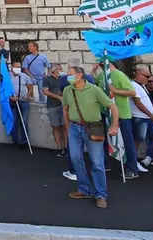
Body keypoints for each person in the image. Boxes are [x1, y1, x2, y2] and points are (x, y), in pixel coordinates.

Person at [62, 66, 119, 209]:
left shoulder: (94, 90)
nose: (67, 77)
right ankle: (84, 189)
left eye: (70, 74)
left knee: (97, 162)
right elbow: (65, 108)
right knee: (75, 158)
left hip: (92, 128)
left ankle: (101, 194)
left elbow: (112, 106)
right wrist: (68, 126)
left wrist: (114, 125)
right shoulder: (67, 90)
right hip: (74, 128)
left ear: (79, 75)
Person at [95, 60, 141, 179]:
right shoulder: (101, 75)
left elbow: (132, 92)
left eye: (102, 64)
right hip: (105, 112)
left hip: (121, 114)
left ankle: (132, 168)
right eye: (100, 65)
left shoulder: (120, 75)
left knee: (127, 141)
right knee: (104, 140)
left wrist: (115, 91)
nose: (101, 66)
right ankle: (106, 164)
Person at [42, 64, 67, 157]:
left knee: (65, 126)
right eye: (60, 69)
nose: (61, 70)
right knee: (56, 127)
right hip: (53, 105)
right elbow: (45, 91)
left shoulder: (64, 78)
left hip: (64, 106)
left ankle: (66, 147)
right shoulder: (47, 79)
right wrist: (58, 97)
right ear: (54, 70)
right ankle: (59, 148)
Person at [9, 60, 34, 148]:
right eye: (16, 67)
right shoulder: (7, 77)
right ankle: (15, 140)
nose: (18, 69)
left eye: (19, 67)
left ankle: (25, 141)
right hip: (12, 101)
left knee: (24, 121)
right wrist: (10, 97)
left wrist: (28, 95)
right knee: (13, 120)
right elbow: (3, 90)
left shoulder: (24, 76)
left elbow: (30, 86)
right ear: (12, 67)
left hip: (23, 100)